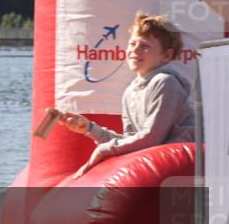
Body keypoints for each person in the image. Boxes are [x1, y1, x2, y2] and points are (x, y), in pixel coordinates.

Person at [58, 12, 195, 178]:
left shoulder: (165, 83)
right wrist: (90, 129)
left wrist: (105, 149)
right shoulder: (130, 91)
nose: (135, 50)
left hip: (181, 164)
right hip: (156, 159)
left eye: (145, 46)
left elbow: (151, 139)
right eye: (132, 44)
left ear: (166, 55)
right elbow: (131, 141)